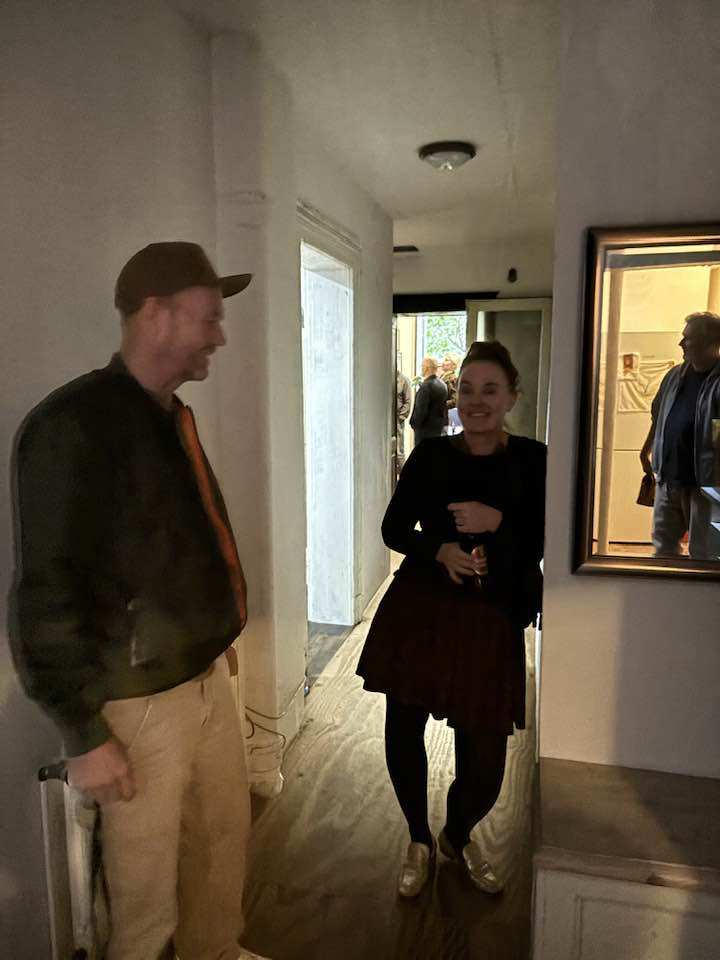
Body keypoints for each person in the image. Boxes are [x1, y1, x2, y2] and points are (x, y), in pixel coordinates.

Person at [9, 242, 270, 960]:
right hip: (137, 704)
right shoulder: (71, 425)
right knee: (142, 898)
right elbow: (47, 588)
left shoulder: (168, 415)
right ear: (157, 314)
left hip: (204, 679)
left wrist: (217, 642)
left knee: (221, 846)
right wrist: (82, 729)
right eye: (209, 316)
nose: (220, 334)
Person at [357, 341, 546, 899]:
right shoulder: (431, 456)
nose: (476, 400)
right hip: (424, 610)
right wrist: (438, 549)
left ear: (512, 396)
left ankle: (456, 835)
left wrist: (497, 523)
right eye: (467, 389)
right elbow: (394, 530)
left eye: (490, 389)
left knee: (485, 761)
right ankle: (418, 837)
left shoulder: (534, 459)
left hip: (491, 618)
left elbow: (545, 542)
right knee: (403, 727)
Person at [640, 311, 720, 559]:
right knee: (663, 550)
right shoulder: (674, 376)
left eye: (688, 338)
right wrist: (645, 450)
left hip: (705, 486)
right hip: (668, 479)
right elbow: (658, 415)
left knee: (704, 554)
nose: (681, 343)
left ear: (710, 342)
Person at [409, 356, 448, 443]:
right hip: (438, 430)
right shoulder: (443, 385)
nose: (421, 368)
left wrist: (413, 423)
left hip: (424, 432)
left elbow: (420, 411)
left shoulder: (425, 387)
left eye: (422, 366)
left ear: (426, 368)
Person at [396, 367, 412, 472]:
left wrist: (401, 417)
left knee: (399, 451)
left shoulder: (403, 380)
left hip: (398, 420)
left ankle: (405, 475)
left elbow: (408, 401)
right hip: (387, 420)